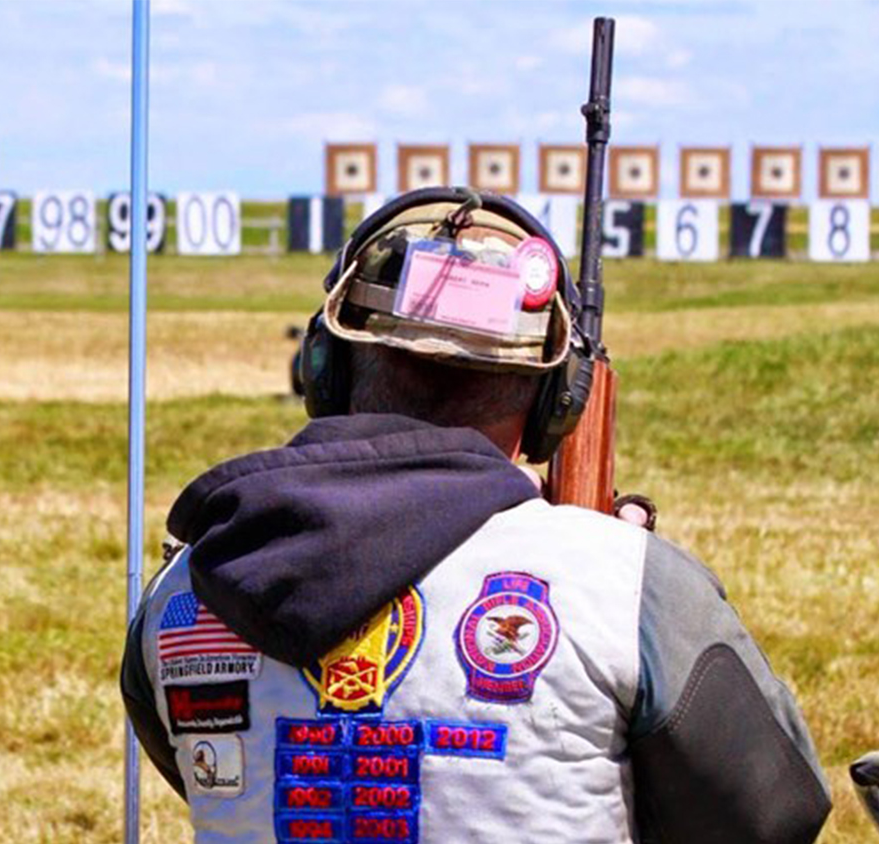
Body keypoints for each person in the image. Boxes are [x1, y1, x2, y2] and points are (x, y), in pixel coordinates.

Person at [121, 188, 831, 843]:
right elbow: (776, 815)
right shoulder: (624, 585)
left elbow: (209, 777)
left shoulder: (182, 592)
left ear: (324, 367)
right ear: (560, 402)